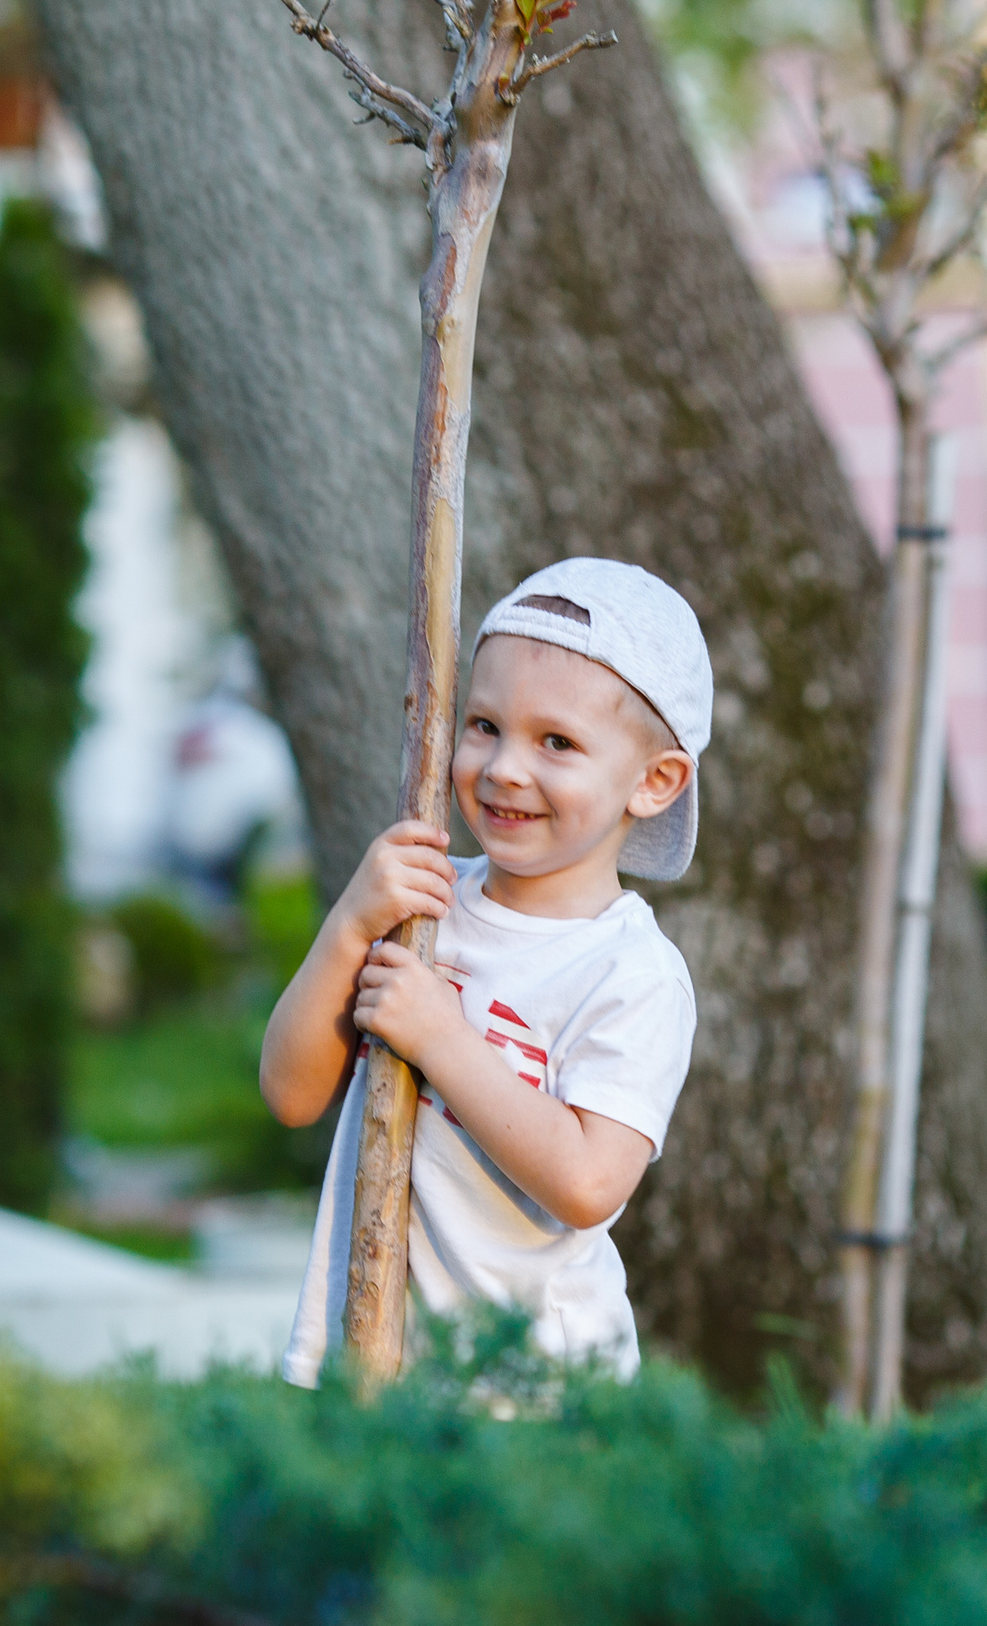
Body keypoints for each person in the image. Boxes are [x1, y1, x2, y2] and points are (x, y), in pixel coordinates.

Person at [262, 558, 711, 1383]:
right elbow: (291, 1094)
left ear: (654, 780)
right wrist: (351, 922)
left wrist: (443, 1038)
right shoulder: (423, 900)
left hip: (533, 1386)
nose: (504, 766)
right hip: (368, 1356)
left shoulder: (630, 972)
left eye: (557, 741)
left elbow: (587, 1183)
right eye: (484, 725)